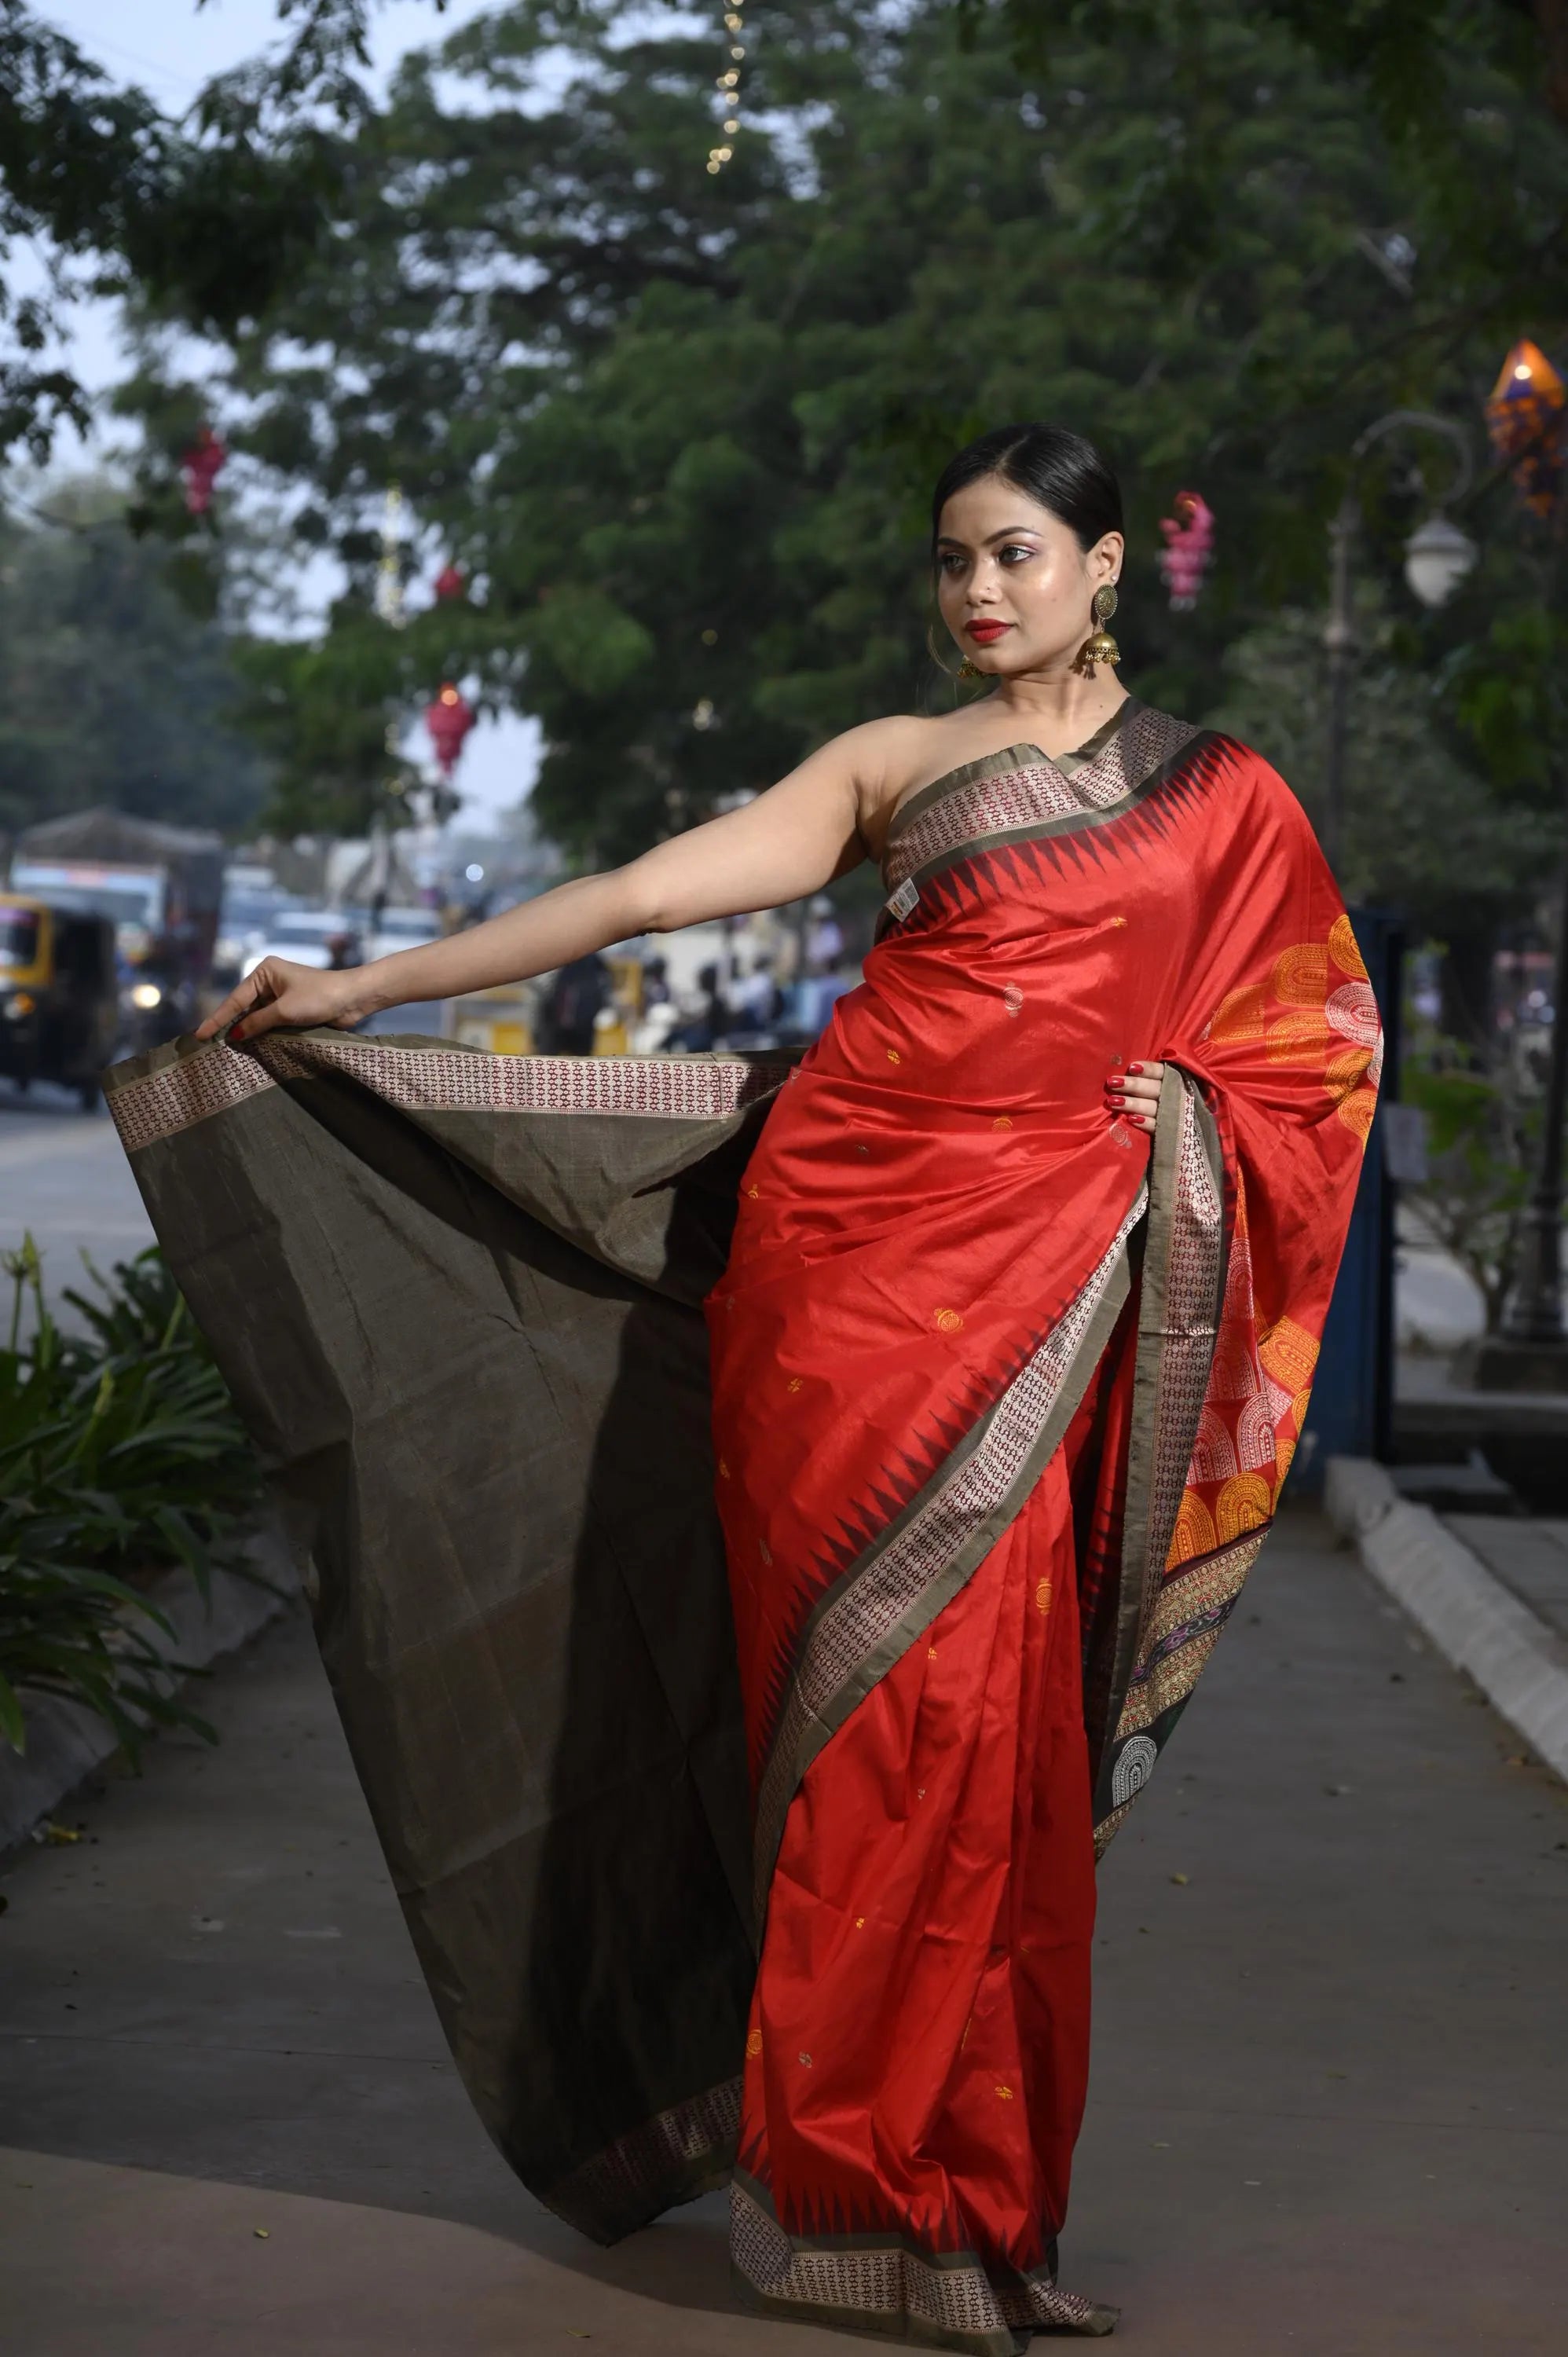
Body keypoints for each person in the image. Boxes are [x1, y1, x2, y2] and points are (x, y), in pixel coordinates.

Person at [113, 423, 1376, 2352]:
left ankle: (961, 2202)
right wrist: (374, 988)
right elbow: (638, 894)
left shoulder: (1226, 798)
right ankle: (851, 2193)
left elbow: (1314, 1050)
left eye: (1017, 554)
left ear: (1107, 566)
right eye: (950, 559)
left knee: (985, 1741)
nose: (976, 592)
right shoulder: (891, 763)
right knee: (875, 1733)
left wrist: (1193, 1118)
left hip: (1039, 1288)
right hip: (843, 1278)